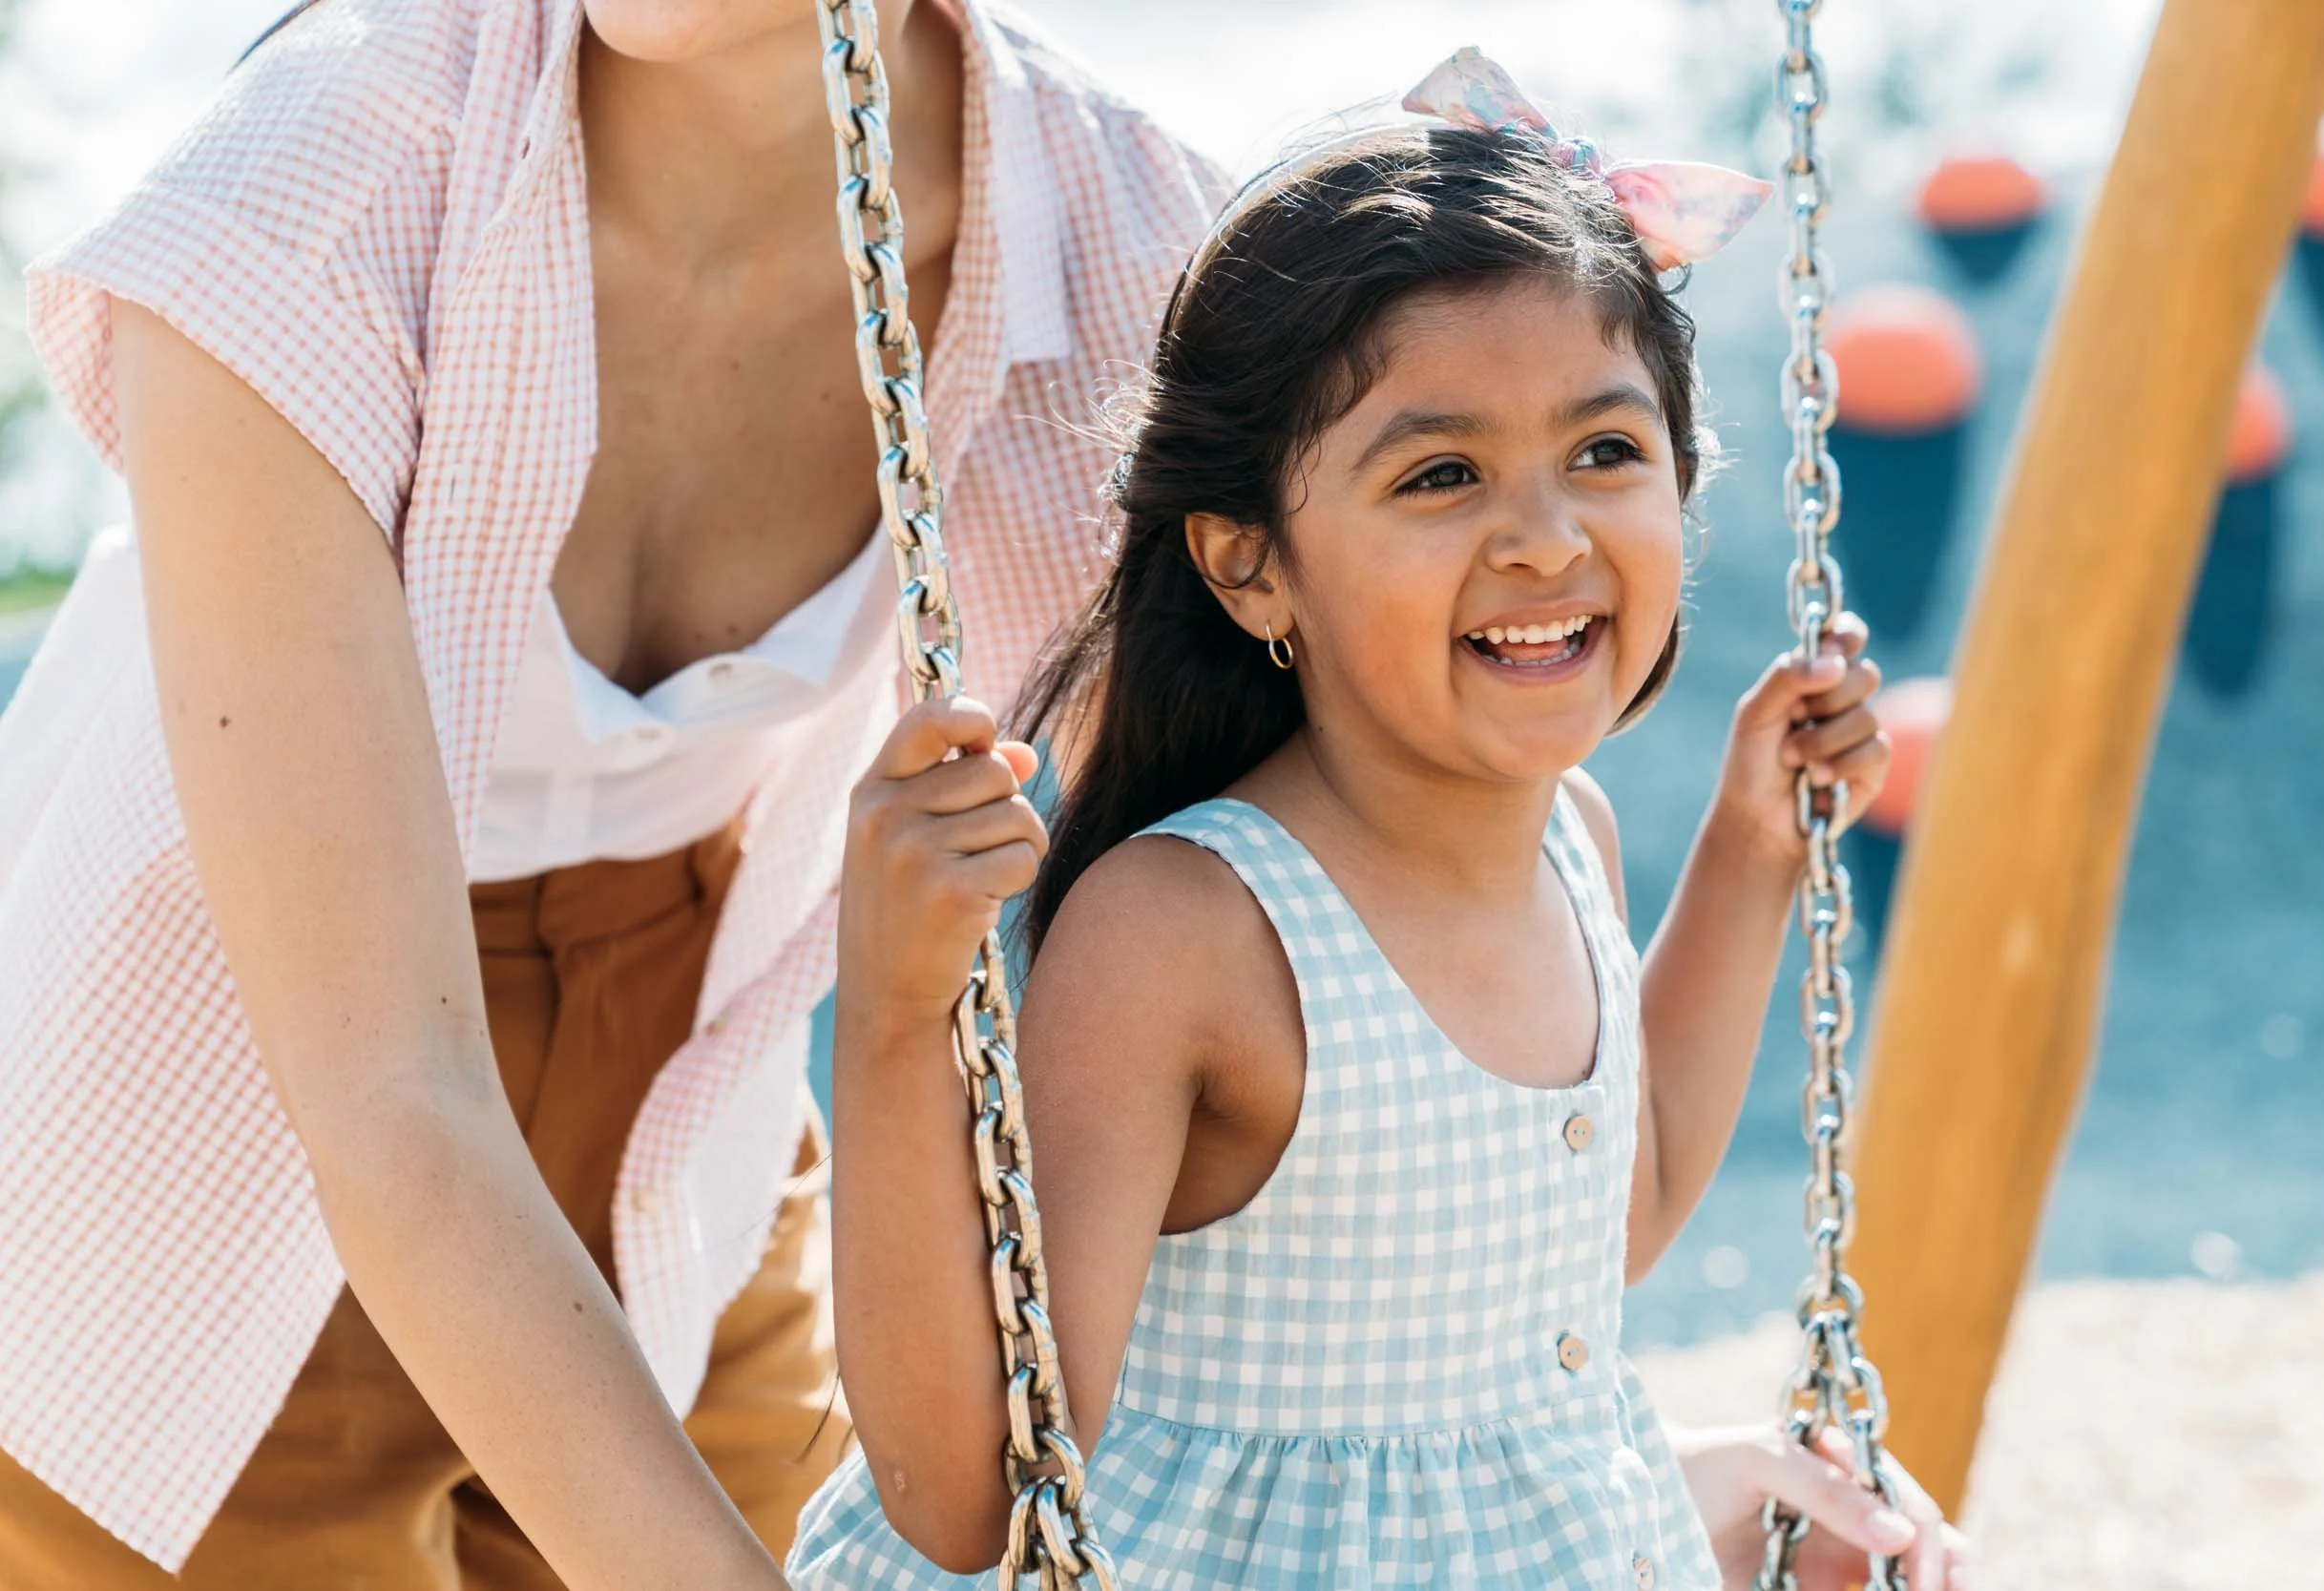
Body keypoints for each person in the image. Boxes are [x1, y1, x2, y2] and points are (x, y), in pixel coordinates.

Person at [0, 0, 1223, 1585]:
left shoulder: (1124, 239)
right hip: (208, 1134)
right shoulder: (301, 200)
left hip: (692, 1103)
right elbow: (391, 1097)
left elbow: (1257, 890)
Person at [795, 49, 1968, 1590]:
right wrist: (896, 1016)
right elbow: (980, 1500)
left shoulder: (1577, 839)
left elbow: (1600, 1219)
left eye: (1605, 450)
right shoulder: (1190, 932)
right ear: (1250, 563)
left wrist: (1752, 851)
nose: (1545, 536)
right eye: (1442, 474)